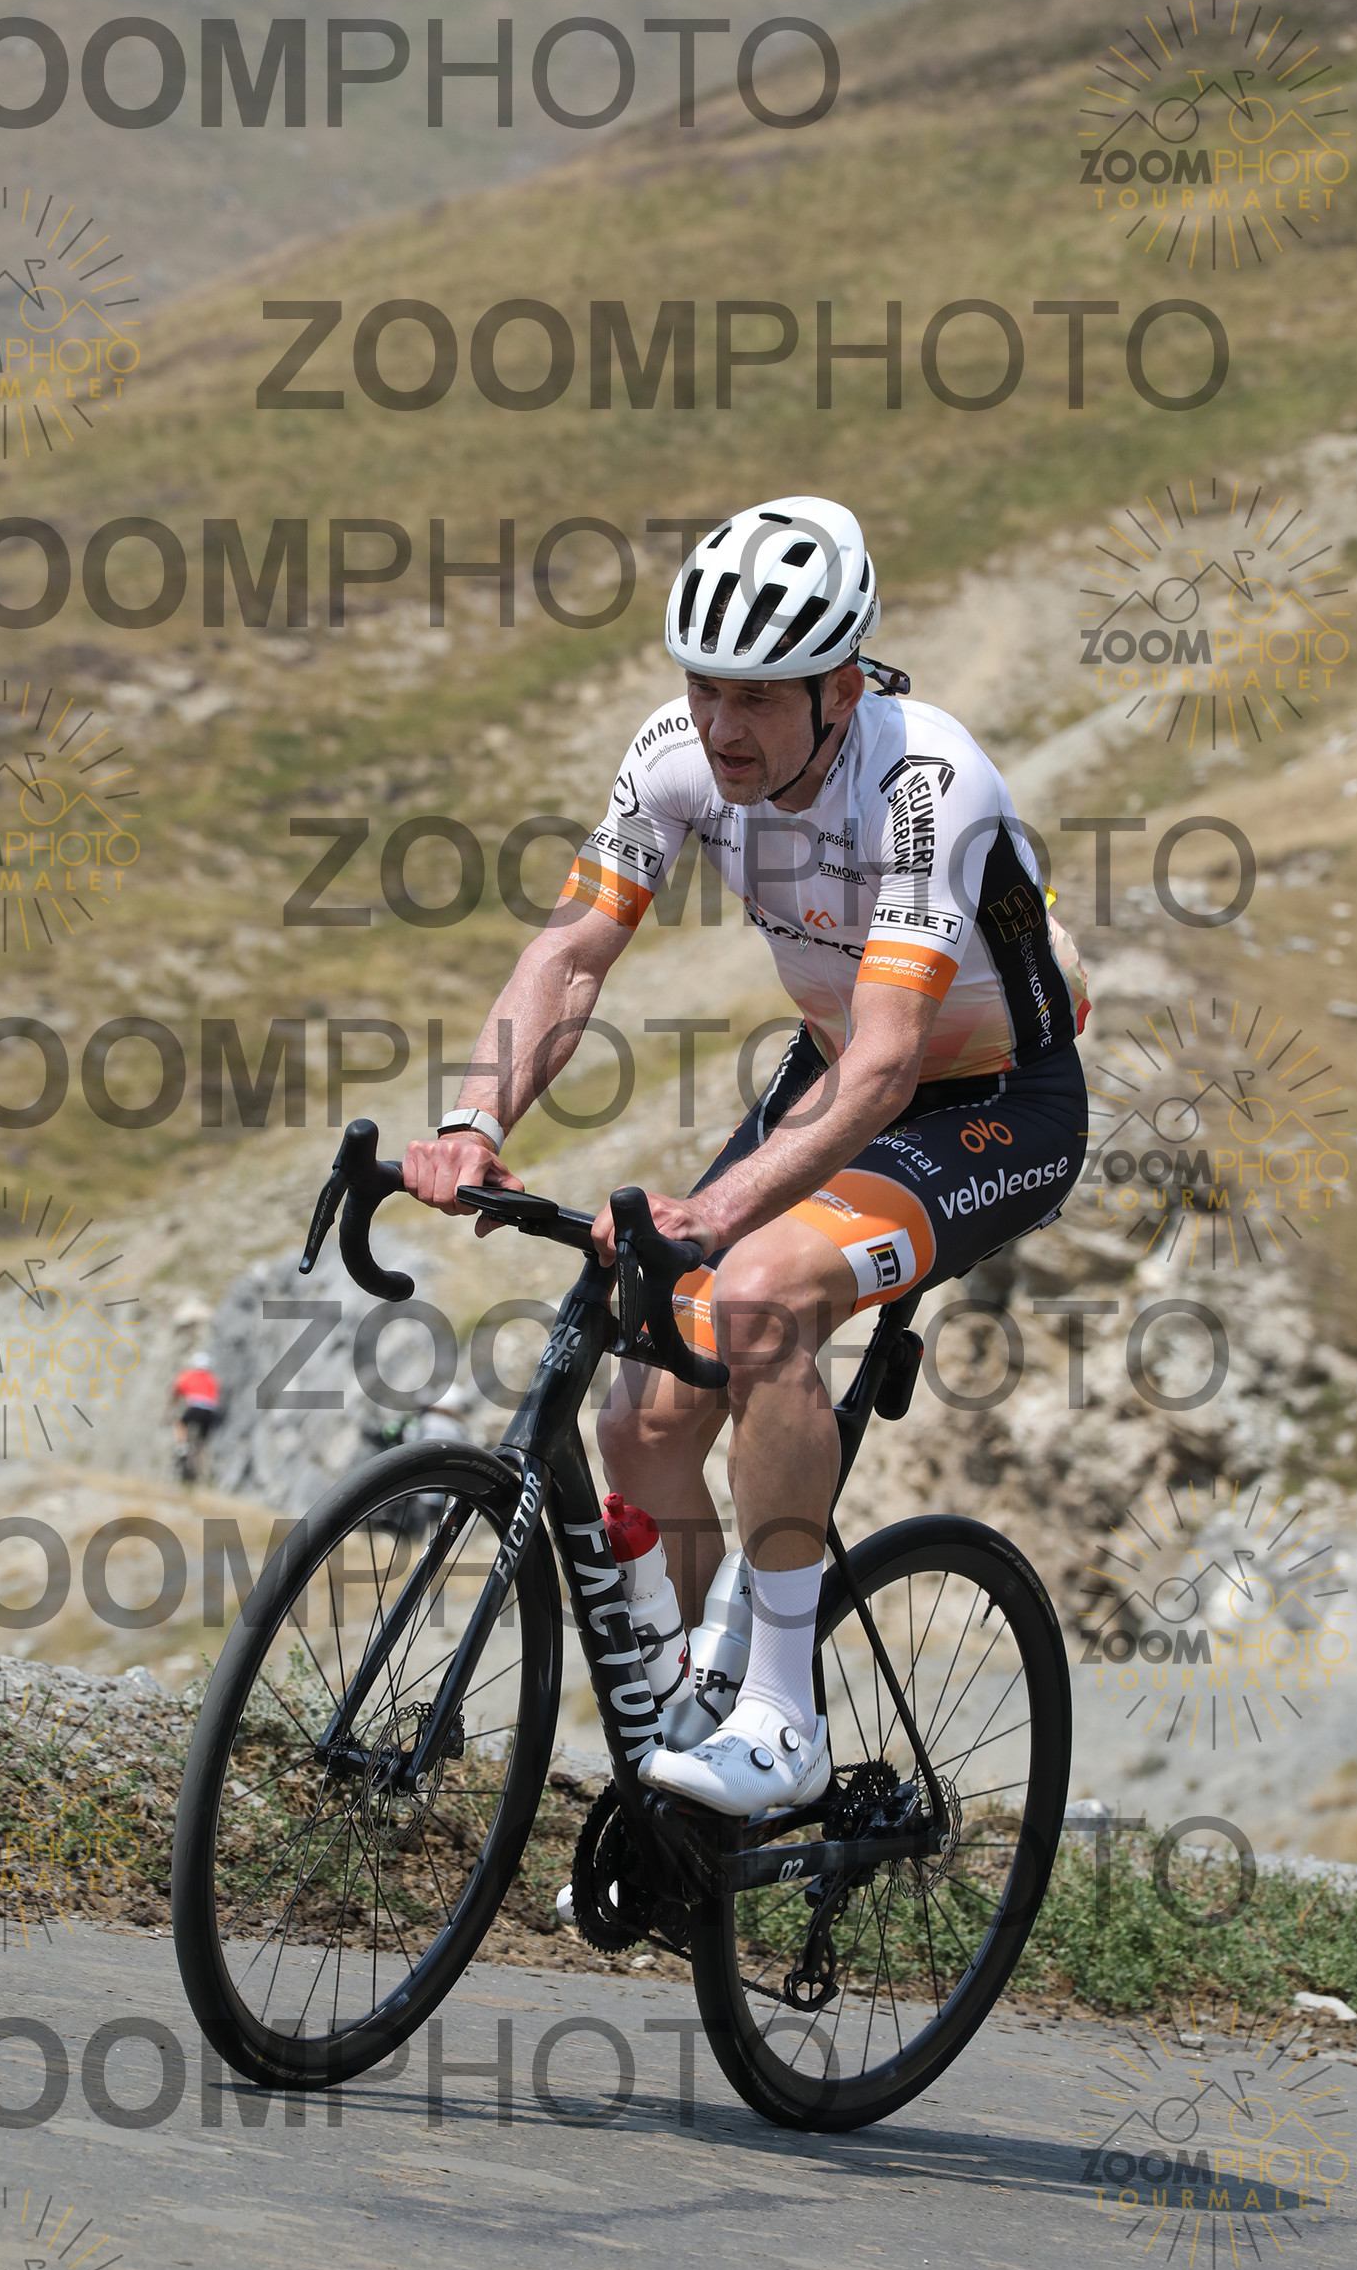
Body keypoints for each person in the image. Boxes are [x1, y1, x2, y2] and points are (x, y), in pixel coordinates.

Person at [402, 496, 1089, 1815]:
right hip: (832, 1079)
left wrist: (713, 1214)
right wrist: (473, 1122)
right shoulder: (675, 755)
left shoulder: (924, 785)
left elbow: (889, 1065)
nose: (721, 727)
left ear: (841, 688)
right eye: (703, 688)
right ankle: (683, 1764)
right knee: (642, 1421)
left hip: (992, 1103)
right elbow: (572, 954)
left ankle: (782, 1719)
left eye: (758, 699)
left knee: (763, 1297)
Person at [171, 1350, 223, 1480]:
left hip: (194, 1407)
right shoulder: (213, 1379)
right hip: (210, 1411)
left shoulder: (188, 1375)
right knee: (202, 1440)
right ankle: (200, 1465)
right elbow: (217, 1395)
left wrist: (171, 1407)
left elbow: (176, 1391)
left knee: (180, 1424)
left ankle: (183, 1448)